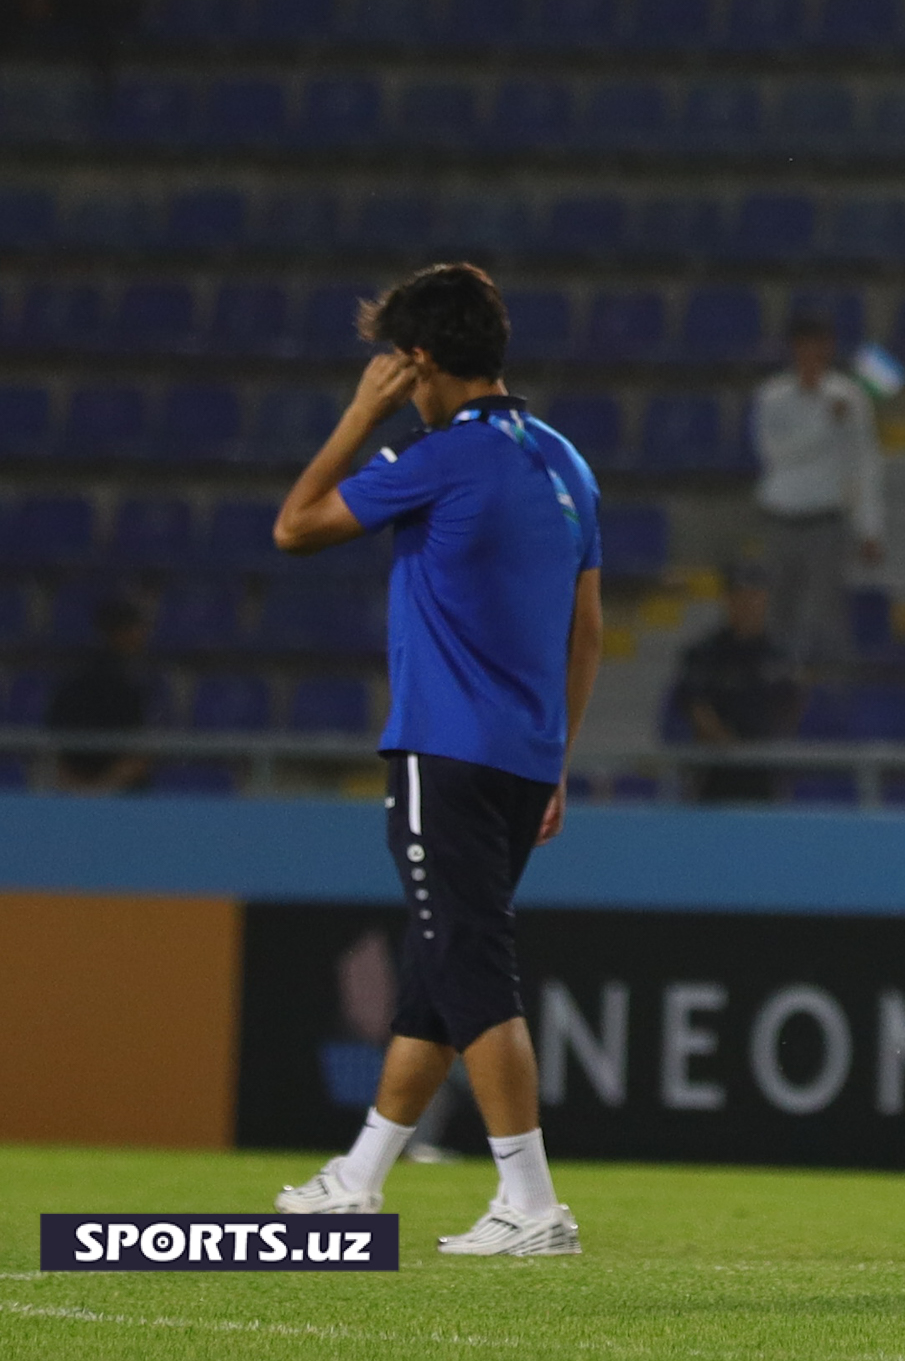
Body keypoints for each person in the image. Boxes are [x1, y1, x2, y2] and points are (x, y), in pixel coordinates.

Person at [268, 263, 604, 1257]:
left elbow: (294, 527)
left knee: (468, 965)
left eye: (395, 368)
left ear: (416, 362)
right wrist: (556, 762)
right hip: (521, 758)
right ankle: (360, 1178)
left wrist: (354, 418)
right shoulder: (563, 461)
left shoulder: (438, 457)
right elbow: (585, 633)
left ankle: (531, 1204)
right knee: (435, 970)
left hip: (443, 751)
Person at [752, 312, 885, 669]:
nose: (811, 353)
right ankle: (776, 697)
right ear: (794, 349)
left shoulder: (850, 396)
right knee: (779, 614)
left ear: (828, 348)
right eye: (804, 345)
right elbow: (777, 454)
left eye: (819, 345)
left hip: (828, 520)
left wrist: (870, 528)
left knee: (826, 615)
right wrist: (825, 422)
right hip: (781, 517)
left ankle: (830, 700)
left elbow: (864, 464)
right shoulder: (772, 397)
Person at [670, 564, 801, 803]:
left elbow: (790, 705)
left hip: (764, 769)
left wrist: (764, 748)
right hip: (715, 769)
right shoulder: (705, 653)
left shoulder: (778, 654)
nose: (749, 604)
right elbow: (695, 704)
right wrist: (730, 748)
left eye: (756, 596)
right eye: (742, 595)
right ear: (729, 600)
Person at [45, 595, 151, 793]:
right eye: (137, 628)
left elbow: (138, 751)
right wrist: (94, 793)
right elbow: (58, 741)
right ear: (120, 633)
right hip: (90, 787)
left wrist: (97, 792)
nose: (143, 635)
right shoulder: (83, 680)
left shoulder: (135, 680)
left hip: (113, 789)